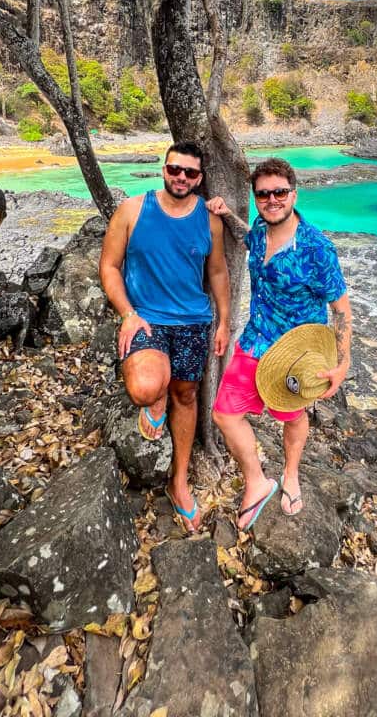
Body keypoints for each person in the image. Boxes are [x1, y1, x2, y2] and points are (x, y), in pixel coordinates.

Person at [207, 157, 352, 530]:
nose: (272, 200)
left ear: (293, 194)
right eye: (263, 194)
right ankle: (257, 480)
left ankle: (290, 474)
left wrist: (342, 363)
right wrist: (225, 214)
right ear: (256, 198)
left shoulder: (317, 248)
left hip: (294, 355)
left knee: (292, 415)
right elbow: (247, 239)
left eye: (280, 192)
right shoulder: (260, 226)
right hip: (256, 339)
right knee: (224, 414)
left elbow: (341, 309)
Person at [99, 141, 230, 531]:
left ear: (199, 178)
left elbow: (219, 272)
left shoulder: (210, 220)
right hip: (147, 321)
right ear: (164, 168)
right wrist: (127, 314)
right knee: (145, 388)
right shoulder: (132, 210)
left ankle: (179, 482)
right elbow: (109, 266)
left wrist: (223, 321)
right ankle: (155, 401)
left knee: (187, 394)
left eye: (190, 173)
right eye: (175, 169)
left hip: (193, 322)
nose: (181, 177)